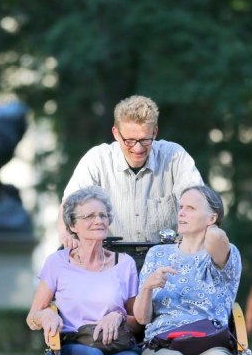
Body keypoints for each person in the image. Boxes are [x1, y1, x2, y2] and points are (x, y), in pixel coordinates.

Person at [27, 186, 150, 355]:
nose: (99, 221)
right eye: (90, 216)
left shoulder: (123, 264)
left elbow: (138, 322)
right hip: (77, 343)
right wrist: (47, 317)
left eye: (103, 215)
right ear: (73, 225)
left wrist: (117, 316)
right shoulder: (57, 263)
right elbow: (33, 316)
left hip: (117, 343)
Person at [133, 185, 241, 355]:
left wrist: (209, 229)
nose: (181, 213)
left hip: (209, 340)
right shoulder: (158, 254)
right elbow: (142, 318)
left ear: (212, 218)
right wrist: (147, 287)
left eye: (190, 208)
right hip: (163, 342)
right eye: (180, 207)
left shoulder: (223, 253)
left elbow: (217, 240)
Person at [60, 95, 203, 248]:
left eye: (145, 140)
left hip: (167, 259)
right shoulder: (97, 160)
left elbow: (200, 203)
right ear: (115, 133)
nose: (138, 148)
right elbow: (69, 205)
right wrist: (68, 237)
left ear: (155, 132)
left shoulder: (175, 157)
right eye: (129, 141)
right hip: (111, 261)